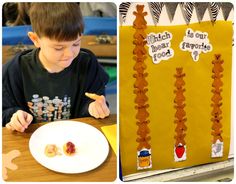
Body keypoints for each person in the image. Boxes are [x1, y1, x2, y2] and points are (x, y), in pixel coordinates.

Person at [2, 3, 110, 132]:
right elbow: (5, 111)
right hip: (31, 138)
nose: (70, 54)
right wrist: (14, 116)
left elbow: (94, 100)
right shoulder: (15, 70)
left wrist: (94, 107)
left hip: (74, 136)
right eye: (59, 48)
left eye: (76, 43)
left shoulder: (87, 63)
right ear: (35, 39)